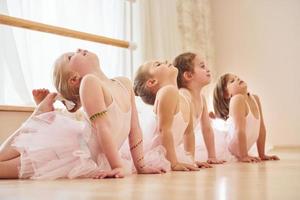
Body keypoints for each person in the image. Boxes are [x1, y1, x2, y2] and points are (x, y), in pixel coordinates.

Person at [0, 49, 165, 179]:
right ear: (74, 79)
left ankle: (39, 117)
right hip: (70, 153)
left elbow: (134, 128)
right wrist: (118, 166)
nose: (79, 49)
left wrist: (140, 165)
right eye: (71, 57)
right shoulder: (89, 82)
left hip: (88, 149)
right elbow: (103, 128)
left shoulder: (124, 82)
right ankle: (37, 116)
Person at [134, 60, 211, 171]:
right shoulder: (167, 91)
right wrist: (173, 163)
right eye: (158, 64)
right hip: (156, 154)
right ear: (152, 82)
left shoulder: (184, 98)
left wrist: (190, 160)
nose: (165, 61)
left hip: (170, 152)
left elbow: (189, 133)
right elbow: (164, 130)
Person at [212, 73, 280, 162]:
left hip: (242, 149)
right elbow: (239, 130)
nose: (238, 79)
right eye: (232, 81)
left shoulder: (255, 98)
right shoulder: (237, 99)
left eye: (237, 77)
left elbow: (261, 128)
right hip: (230, 151)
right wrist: (243, 156)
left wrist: (262, 154)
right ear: (226, 94)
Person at [173, 52, 226, 164]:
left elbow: (207, 129)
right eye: (202, 66)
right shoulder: (184, 96)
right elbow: (187, 132)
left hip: (177, 143)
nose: (208, 69)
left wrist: (212, 156)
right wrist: (190, 160)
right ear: (188, 75)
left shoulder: (202, 99)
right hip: (166, 143)